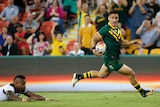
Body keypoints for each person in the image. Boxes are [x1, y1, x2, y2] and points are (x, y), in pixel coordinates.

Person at [72, 11, 154, 97]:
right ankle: (142, 92)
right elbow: (94, 39)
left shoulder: (117, 29)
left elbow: (121, 42)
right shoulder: (105, 29)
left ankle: (78, 76)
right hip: (112, 59)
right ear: (108, 18)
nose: (114, 20)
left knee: (101, 74)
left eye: (116, 18)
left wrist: (131, 43)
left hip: (113, 57)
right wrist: (93, 50)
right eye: (112, 18)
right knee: (131, 73)